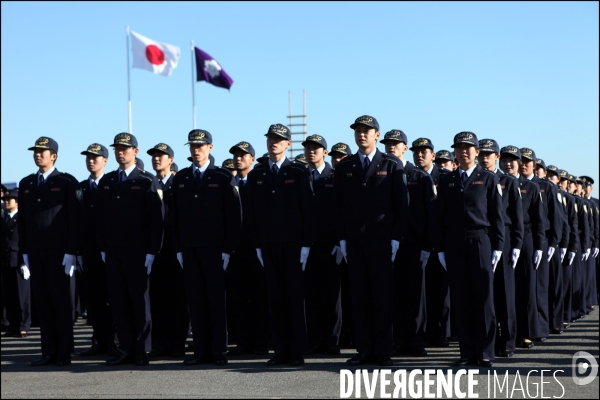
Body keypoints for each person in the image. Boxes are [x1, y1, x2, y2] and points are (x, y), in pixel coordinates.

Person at [334, 115, 409, 367]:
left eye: (367, 131)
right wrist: (342, 238)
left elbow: (401, 205)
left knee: (381, 297)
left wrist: (396, 238)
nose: (361, 134)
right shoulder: (345, 167)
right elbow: (340, 207)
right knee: (359, 296)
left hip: (382, 240)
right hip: (355, 241)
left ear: (377, 134)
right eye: (358, 131)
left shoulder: (391, 164)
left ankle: (382, 350)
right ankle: (364, 349)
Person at [246, 123, 315, 367]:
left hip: (294, 244)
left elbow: (307, 210)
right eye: (270, 138)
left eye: (279, 139)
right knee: (274, 299)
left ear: (288, 144)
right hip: (268, 244)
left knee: (294, 298)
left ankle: (296, 351)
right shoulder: (257, 175)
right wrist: (257, 245)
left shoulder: (298, 172)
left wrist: (306, 244)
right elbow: (252, 214)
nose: (273, 142)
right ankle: (280, 351)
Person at [171, 129, 241, 366]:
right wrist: (179, 248)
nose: (196, 149)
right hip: (190, 249)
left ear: (210, 147)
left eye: (200, 145)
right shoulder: (180, 179)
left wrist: (228, 248)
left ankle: (218, 351)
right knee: (196, 301)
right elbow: (174, 217)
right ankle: (201, 350)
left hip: (215, 249)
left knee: (216, 302)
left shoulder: (222, 177)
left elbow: (233, 215)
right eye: (192, 146)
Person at [437, 132, 504, 368]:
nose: (464, 151)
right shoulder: (446, 180)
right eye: (459, 148)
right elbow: (440, 216)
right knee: (461, 297)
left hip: (480, 240)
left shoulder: (487, 178)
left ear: (476, 152)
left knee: (484, 298)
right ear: (454, 152)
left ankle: (485, 352)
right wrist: (440, 248)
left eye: (469, 148)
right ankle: (467, 353)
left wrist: (498, 246)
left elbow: (497, 216)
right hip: (454, 242)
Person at [96, 133, 164, 366]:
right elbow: (101, 218)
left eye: (125, 148)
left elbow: (156, 219)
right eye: (117, 148)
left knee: (139, 302)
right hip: (114, 250)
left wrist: (152, 251)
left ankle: (142, 349)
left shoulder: (146, 180)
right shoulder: (108, 182)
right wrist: (103, 247)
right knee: (118, 301)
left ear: (135, 151)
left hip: (138, 251)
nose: (120, 152)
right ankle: (125, 348)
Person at [18, 136, 83, 366]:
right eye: (35, 151)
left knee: (60, 301)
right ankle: (48, 351)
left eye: (42, 151)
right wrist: (23, 253)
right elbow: (23, 221)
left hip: (59, 252)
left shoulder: (66, 182)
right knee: (43, 302)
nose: (38, 154)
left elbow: (75, 220)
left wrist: (71, 251)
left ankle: (64, 352)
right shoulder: (26, 183)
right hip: (35, 251)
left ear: (53, 155)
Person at [477, 139, 524, 357]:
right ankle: (488, 342)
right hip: (482, 239)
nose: (485, 158)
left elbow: (516, 217)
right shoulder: (474, 178)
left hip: (502, 240)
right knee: (485, 294)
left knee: (505, 293)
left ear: (496, 157)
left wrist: (516, 244)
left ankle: (507, 341)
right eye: (482, 154)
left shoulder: (508, 181)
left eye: (490, 154)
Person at [392, 138, 437, 357]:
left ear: (404, 148)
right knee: (396, 294)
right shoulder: (388, 173)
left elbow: (430, 214)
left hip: (415, 243)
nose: (391, 147)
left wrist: (427, 245)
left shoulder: (419, 177)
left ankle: (416, 341)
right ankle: (399, 340)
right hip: (392, 243)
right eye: (388, 143)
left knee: (416, 296)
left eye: (396, 143)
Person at [226, 141, 271, 356]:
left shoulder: (258, 180)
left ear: (252, 159)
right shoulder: (228, 182)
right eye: (235, 155)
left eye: (243, 155)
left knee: (259, 298)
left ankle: (261, 343)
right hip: (235, 249)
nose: (238, 158)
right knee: (237, 297)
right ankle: (243, 344)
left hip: (256, 248)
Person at [147, 143, 190, 359]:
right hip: (155, 251)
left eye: (161, 156)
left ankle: (177, 345)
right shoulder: (149, 183)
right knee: (158, 300)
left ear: (170, 160)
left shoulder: (179, 182)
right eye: (154, 156)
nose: (157, 159)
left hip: (176, 249)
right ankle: (160, 344)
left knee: (178, 300)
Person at [499, 145, 544, 350]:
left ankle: (526, 333)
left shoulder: (531, 186)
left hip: (526, 237)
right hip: (504, 237)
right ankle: (507, 332)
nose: (508, 164)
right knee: (506, 289)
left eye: (513, 160)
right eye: (505, 160)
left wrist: (539, 245)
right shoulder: (497, 182)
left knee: (526, 287)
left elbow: (538, 219)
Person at [302, 134, 342, 356]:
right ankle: (314, 340)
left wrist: (339, 242)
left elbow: (342, 210)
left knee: (331, 296)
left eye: (316, 148)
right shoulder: (301, 176)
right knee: (312, 296)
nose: (311, 152)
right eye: (308, 148)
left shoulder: (335, 177)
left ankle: (332, 341)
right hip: (307, 245)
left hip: (330, 244)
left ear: (325, 152)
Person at [78, 143, 118, 357]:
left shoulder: (112, 183)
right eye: (88, 157)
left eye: (96, 157)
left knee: (113, 297)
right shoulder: (81, 187)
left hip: (110, 249)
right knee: (93, 299)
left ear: (105, 160)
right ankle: (99, 341)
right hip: (89, 250)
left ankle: (114, 342)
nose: (91, 160)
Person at [521, 148, 565, 342]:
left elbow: (556, 217)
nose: (523, 164)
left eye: (528, 162)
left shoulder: (546, 186)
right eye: (521, 161)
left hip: (542, 238)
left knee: (540, 286)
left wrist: (554, 242)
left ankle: (540, 327)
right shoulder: (512, 183)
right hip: (521, 238)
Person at [1, 189, 31, 338]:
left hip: (18, 259)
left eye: (10, 199)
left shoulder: (22, 218)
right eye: (5, 199)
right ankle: (13, 325)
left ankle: (24, 325)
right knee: (10, 296)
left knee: (22, 295)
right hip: (6, 261)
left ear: (17, 202)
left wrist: (26, 262)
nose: (6, 202)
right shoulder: (4, 218)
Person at [557, 169, 579, 329]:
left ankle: (566, 314)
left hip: (566, 243)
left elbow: (573, 224)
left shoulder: (571, 200)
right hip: (554, 243)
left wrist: (572, 246)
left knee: (565, 282)